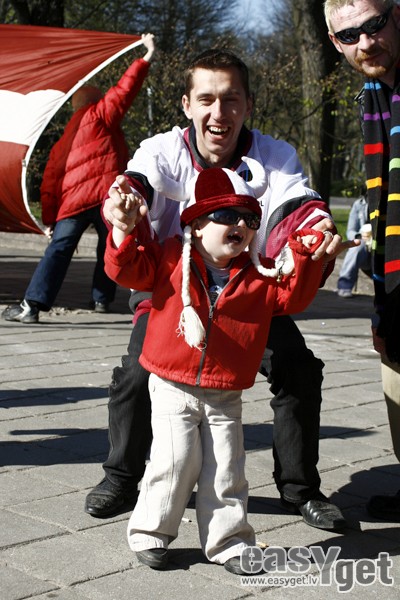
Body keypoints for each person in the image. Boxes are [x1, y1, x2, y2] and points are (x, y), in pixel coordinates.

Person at [85, 48, 352, 531]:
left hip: (247, 295)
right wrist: (121, 208)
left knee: (299, 368)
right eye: (206, 99)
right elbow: (133, 186)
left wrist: (318, 231)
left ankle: (300, 489)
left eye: (231, 99)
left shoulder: (275, 156)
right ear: (187, 104)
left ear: (247, 104)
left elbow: (299, 208)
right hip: (171, 294)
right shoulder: (162, 150)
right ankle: (121, 476)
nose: (219, 113)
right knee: (135, 374)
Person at [105, 159, 326, 573]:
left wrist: (306, 254)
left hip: (225, 390)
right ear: (196, 225)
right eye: (226, 215)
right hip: (172, 383)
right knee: (175, 462)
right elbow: (126, 267)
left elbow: (293, 297)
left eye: (249, 219)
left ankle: (229, 542)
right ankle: (151, 531)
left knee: (227, 469)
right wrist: (124, 229)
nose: (240, 224)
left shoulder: (259, 273)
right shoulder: (170, 258)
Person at [1, 33, 155, 323]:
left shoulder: (64, 139)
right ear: (97, 100)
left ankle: (32, 304)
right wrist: (145, 56)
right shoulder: (101, 115)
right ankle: (102, 299)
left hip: (72, 203)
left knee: (59, 250)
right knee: (109, 246)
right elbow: (124, 90)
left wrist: (50, 219)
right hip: (104, 197)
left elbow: (50, 180)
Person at [325, 0, 400, 521]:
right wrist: (382, 304)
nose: (366, 43)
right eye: (350, 35)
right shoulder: (373, 95)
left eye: (374, 26)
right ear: (335, 42)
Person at [337, 190, 372, 297]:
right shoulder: (358, 205)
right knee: (357, 246)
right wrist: (360, 236)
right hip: (365, 250)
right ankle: (344, 286)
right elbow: (350, 231)